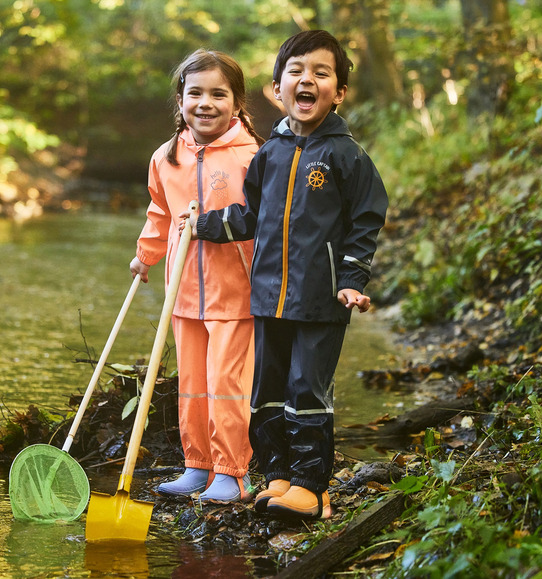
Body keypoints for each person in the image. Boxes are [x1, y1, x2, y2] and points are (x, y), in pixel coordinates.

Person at [182, 30, 388, 519]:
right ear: (277, 89)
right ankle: (276, 477)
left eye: (320, 73)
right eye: (296, 71)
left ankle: (313, 489)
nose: (306, 80)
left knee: (307, 390)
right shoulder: (269, 154)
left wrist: (353, 279)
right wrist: (204, 225)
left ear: (338, 93)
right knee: (268, 391)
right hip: (268, 296)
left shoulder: (346, 155)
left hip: (321, 299)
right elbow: (251, 216)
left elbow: (367, 217)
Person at [130, 49, 265, 502]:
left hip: (235, 290)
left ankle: (232, 471)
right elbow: (159, 213)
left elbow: (263, 218)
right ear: (180, 100)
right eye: (195, 93)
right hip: (183, 291)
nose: (205, 103)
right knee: (193, 383)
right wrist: (145, 256)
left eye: (218, 94)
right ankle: (197, 464)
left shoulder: (253, 156)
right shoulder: (167, 157)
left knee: (227, 384)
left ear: (237, 102)